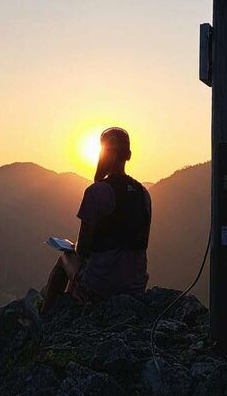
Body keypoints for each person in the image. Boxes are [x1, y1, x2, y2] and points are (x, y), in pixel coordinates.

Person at [41, 126, 151, 313]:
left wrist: (74, 247)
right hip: (135, 285)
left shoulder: (97, 191)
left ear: (103, 154)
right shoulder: (143, 194)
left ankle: (45, 314)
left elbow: (83, 249)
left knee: (65, 259)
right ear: (129, 155)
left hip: (101, 286)